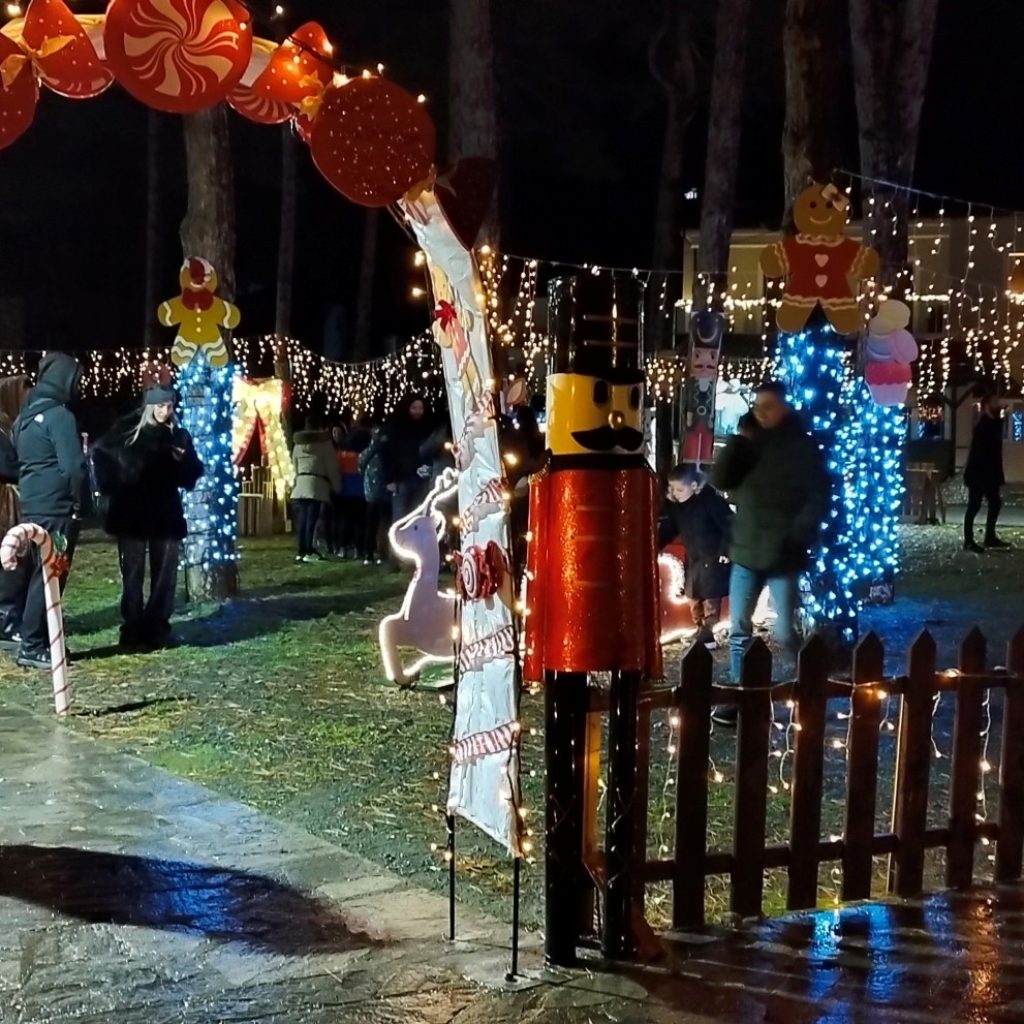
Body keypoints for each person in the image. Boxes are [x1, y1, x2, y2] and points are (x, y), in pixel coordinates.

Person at [711, 380, 830, 725]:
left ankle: (809, 687)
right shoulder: (751, 443)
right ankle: (741, 697)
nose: (761, 413)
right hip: (747, 549)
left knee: (785, 632)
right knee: (739, 630)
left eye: (769, 406)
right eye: (757, 406)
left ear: (784, 408)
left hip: (783, 553)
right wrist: (739, 440)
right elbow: (721, 478)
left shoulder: (802, 448)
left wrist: (797, 533)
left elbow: (818, 495)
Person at [93, 379, 203, 650]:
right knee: (132, 574)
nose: (166, 411)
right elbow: (102, 457)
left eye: (170, 405)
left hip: (165, 512)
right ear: (150, 406)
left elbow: (190, 475)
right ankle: (132, 628)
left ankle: (157, 627)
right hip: (132, 512)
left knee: (165, 574)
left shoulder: (178, 435)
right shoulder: (127, 431)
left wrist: (183, 462)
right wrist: (119, 480)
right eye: (161, 405)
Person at [6, 354, 89, 669]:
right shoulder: (60, 417)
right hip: (57, 509)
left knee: (38, 574)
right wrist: (80, 503)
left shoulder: (24, 418)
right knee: (52, 574)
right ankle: (34, 644)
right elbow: (73, 467)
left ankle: (40, 638)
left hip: (33, 505)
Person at [658, 465, 733, 648]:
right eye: (673, 489)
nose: (675, 494)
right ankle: (701, 629)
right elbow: (670, 528)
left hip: (713, 557)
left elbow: (729, 526)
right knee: (693, 596)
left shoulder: (711, 502)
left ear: (693, 485)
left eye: (679, 489)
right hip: (694, 558)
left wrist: (726, 550)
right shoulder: (678, 508)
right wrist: (655, 543)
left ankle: (707, 633)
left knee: (710, 597)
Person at [963, 387, 1008, 553]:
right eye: (995, 402)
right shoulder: (983, 426)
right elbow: (980, 454)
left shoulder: (993, 424)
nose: (998, 404)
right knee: (974, 506)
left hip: (990, 474)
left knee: (995, 503)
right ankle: (968, 540)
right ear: (987, 405)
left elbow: (995, 453)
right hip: (979, 473)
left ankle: (989, 537)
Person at [290, 416, 339, 563]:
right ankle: (309, 550)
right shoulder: (324, 443)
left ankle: (301, 550)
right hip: (317, 484)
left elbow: (294, 465)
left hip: (301, 483)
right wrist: (337, 485)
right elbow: (331, 467)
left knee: (303, 519)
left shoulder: (298, 444)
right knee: (312, 519)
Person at [384, 395, 433, 523]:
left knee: (419, 516)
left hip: (421, 478)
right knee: (400, 519)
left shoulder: (426, 427)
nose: (418, 411)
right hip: (401, 480)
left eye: (420, 408)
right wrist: (390, 479)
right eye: (414, 408)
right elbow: (388, 454)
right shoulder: (396, 427)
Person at [330, 418, 370, 558]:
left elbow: (337, 470)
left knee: (344, 521)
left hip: (344, 491)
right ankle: (358, 550)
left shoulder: (341, 454)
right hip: (360, 491)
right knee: (360, 522)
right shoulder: (363, 455)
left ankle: (342, 548)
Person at [359, 421, 391, 565]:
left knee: (371, 524)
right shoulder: (387, 451)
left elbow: (360, 466)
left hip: (370, 492)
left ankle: (369, 553)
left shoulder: (367, 451)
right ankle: (382, 553)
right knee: (384, 523)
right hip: (384, 491)